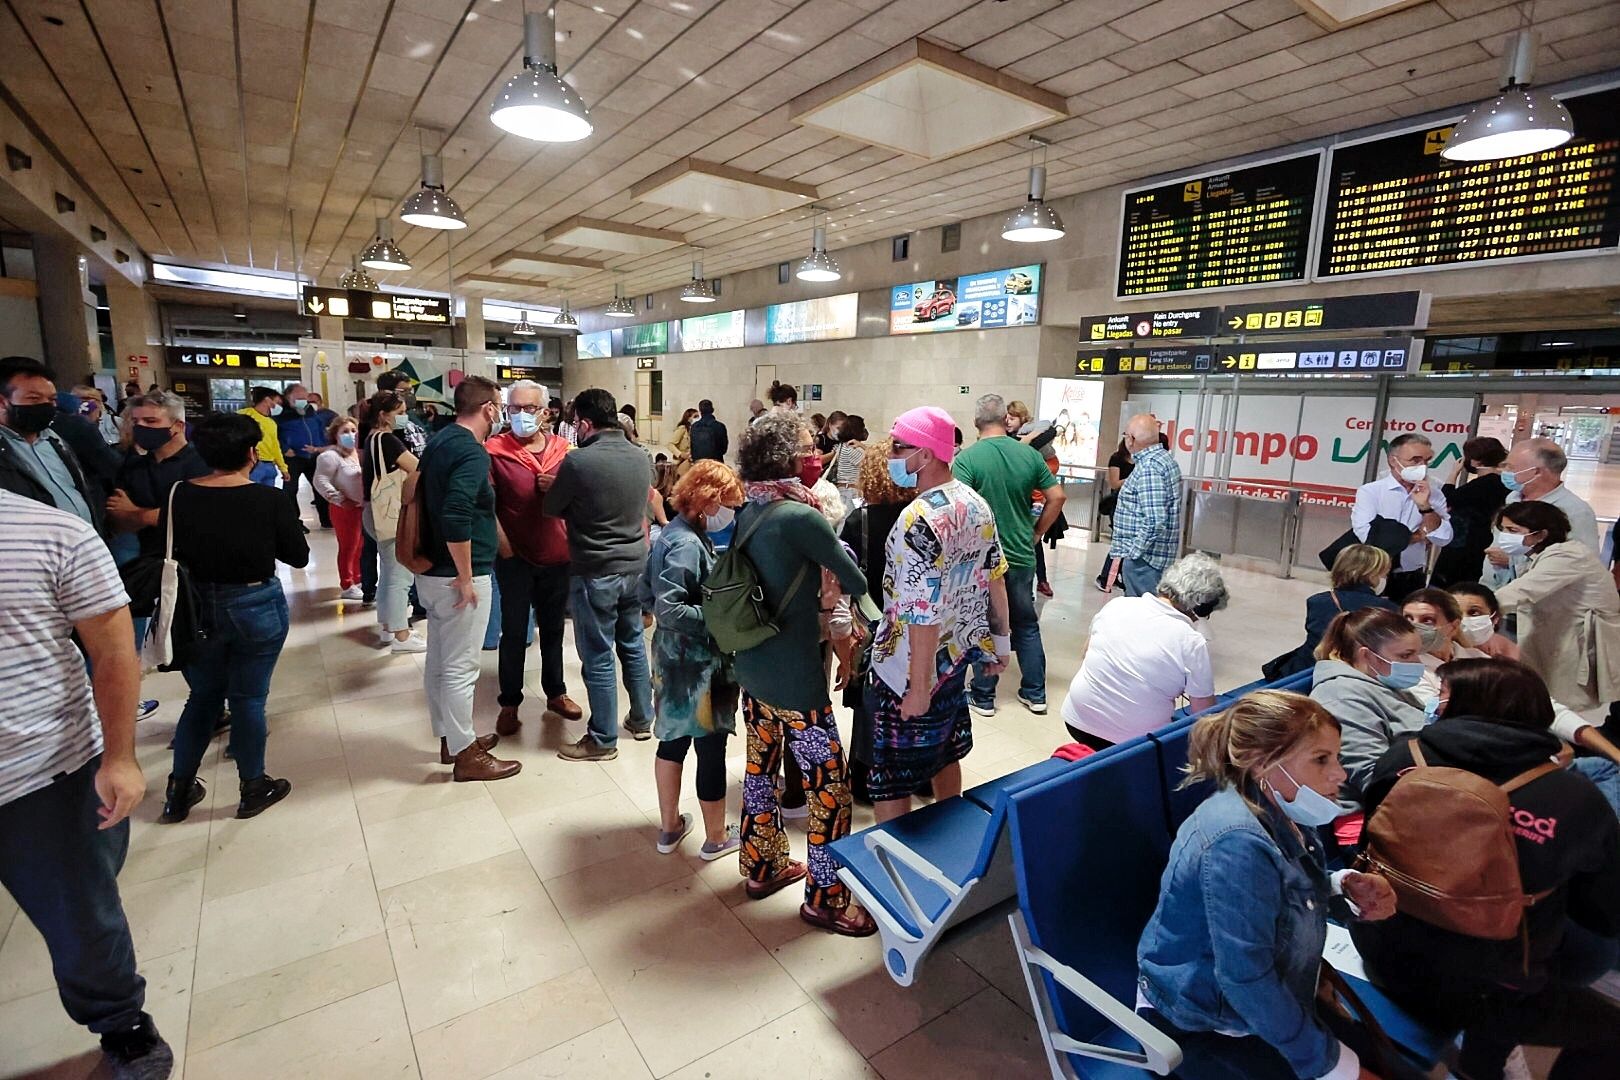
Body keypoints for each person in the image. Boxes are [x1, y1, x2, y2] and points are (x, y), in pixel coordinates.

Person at [1352, 658, 1620, 1080]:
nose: (1435, 705)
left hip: (1383, 945)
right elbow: (1603, 913)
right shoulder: (1571, 796)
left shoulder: (1404, 754)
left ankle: (1483, 1061)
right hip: (1490, 984)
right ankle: (1484, 1061)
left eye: (1443, 696)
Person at [0, 490, 176, 1079]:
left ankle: (122, 1026)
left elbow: (113, 652)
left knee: (82, 916)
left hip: (41, 771)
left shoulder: (53, 534)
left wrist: (120, 757)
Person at [1137, 691, 1402, 1080]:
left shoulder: (1279, 808)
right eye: (1321, 759)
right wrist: (1328, 1065)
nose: (1340, 774)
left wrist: (1341, 885)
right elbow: (1246, 977)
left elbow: (1280, 891)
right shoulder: (1236, 841)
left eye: (1337, 757)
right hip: (1208, 1022)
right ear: (1263, 764)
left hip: (1269, 998)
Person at [731, 412, 872, 936]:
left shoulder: (751, 508)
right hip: (797, 680)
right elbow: (855, 577)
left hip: (755, 670)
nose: (815, 454)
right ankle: (826, 898)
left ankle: (762, 866)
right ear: (789, 456)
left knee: (760, 771)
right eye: (808, 447)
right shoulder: (801, 517)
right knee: (829, 788)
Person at [157, 412, 308, 823]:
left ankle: (179, 789)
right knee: (249, 698)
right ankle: (252, 785)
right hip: (254, 604)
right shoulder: (267, 499)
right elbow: (298, 555)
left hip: (195, 608)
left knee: (202, 698)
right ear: (251, 453)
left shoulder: (177, 494)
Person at [869, 408, 1011, 822]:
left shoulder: (918, 519)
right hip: (957, 659)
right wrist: (1000, 644)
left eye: (900, 447)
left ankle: (890, 866)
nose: (893, 455)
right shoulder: (975, 503)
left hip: (908, 671)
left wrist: (917, 686)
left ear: (927, 455)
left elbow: (921, 612)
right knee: (947, 751)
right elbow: (995, 579)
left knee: (893, 778)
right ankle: (950, 835)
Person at [413, 375, 520, 782]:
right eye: (499, 405)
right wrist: (465, 577)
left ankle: (451, 737)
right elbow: (456, 514)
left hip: (431, 572)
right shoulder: (472, 452)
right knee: (460, 668)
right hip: (459, 574)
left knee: (440, 660)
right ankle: (465, 755)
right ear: (489, 408)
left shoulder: (440, 440)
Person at [546, 388, 656, 761]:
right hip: (635, 567)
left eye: (576, 423)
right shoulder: (642, 457)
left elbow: (552, 507)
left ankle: (602, 738)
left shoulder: (578, 462)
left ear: (586, 423)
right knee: (632, 646)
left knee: (598, 655)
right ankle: (642, 720)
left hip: (596, 570)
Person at [645, 460, 745, 860]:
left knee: (672, 741)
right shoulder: (688, 544)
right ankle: (717, 836)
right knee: (710, 747)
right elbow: (670, 607)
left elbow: (645, 591)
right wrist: (719, 618)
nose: (730, 514)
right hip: (701, 663)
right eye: (728, 504)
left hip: (670, 658)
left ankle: (669, 828)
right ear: (708, 500)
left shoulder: (671, 534)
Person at [952, 394, 1065, 717]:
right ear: (1005, 420)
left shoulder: (968, 459)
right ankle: (1035, 692)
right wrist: (1036, 532)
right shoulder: (1028, 456)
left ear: (976, 423)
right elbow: (1057, 496)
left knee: (987, 623)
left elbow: (960, 508)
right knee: (1026, 623)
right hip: (1021, 553)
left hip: (983, 560)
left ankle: (984, 695)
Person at [486, 381, 581, 735]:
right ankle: (509, 702)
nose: (522, 416)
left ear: (545, 412)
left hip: (558, 555)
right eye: (515, 409)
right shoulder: (495, 450)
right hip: (516, 557)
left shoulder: (565, 450)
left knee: (554, 630)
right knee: (512, 632)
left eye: (530, 409)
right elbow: (487, 506)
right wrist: (504, 546)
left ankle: (555, 692)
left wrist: (560, 490)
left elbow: (581, 501)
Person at [1060, 553, 1225, 751]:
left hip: (1078, 720)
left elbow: (1086, 653)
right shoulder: (1191, 641)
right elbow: (1205, 714)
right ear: (1199, 607)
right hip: (1135, 740)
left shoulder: (1117, 605)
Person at [837, 440, 912, 803]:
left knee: (869, 705)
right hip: (913, 621)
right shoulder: (919, 513)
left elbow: (842, 574)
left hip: (871, 622)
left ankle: (865, 779)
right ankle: (916, 773)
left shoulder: (859, 520)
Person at [1308, 608, 1426, 838]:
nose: (1417, 663)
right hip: (1370, 824)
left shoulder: (1379, 683)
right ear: (1367, 656)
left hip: (1409, 802)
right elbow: (1375, 779)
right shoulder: (1342, 697)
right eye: (1405, 656)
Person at [1494, 500, 1620, 712]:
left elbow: (1520, 592)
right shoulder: (1542, 555)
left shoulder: (1568, 556)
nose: (1505, 537)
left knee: (1562, 710)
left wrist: (1467, 608)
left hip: (1574, 644)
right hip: (1555, 638)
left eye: (1513, 530)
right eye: (1504, 530)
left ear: (1541, 534)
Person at [1267, 544, 1396, 680]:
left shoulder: (1318, 601)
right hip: (1357, 675)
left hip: (1304, 670)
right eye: (1384, 573)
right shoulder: (1388, 610)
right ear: (1371, 574)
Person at [0, 357, 102, 530]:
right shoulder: (6, 452)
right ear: (3, 402)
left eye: (52, 399)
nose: (46, 406)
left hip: (82, 545)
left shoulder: (55, 440)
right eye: (34, 398)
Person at [360, 391, 425, 654]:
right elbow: (417, 467)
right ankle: (401, 634)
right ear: (383, 415)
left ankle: (387, 627)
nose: (404, 417)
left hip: (373, 513)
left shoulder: (371, 438)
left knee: (388, 573)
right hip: (390, 514)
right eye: (399, 413)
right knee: (400, 575)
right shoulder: (387, 440)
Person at [1350, 432, 1453, 599]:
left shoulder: (1434, 494)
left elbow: (1444, 537)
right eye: (1415, 460)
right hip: (1371, 573)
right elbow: (1368, 536)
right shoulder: (1371, 491)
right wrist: (1418, 536)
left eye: (1427, 461)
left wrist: (1425, 507)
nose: (1422, 466)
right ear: (1393, 460)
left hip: (1411, 576)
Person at [1107, 413, 1181, 597]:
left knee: (1141, 615)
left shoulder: (1149, 468)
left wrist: (1134, 552)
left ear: (1131, 440)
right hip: (1154, 557)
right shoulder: (1163, 459)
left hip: (1145, 562)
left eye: (1125, 435)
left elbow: (1155, 519)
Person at [1432, 436, 1509, 586]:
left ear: (1474, 461)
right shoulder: (1503, 484)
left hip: (1465, 545)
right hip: (1486, 541)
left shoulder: (1480, 485)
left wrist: (1453, 473)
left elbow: (1446, 500)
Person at [1401, 587, 1488, 704]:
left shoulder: (1479, 659)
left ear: (1453, 627)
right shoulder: (1406, 668)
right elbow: (1439, 710)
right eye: (1408, 619)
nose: (1414, 627)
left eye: (1427, 620)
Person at [312, 414, 365, 600]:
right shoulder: (330, 456)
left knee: (361, 546)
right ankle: (347, 583)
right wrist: (339, 499)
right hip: (344, 509)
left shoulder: (359, 454)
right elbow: (320, 480)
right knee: (348, 546)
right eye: (345, 432)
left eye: (353, 430)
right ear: (336, 435)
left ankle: (359, 579)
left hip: (362, 507)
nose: (350, 435)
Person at [277, 382, 333, 529]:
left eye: (304, 397)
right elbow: (273, 434)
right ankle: (295, 523)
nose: (303, 400)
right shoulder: (281, 414)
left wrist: (321, 448)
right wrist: (284, 448)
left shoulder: (311, 412)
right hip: (293, 458)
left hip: (313, 456)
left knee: (321, 487)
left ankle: (327, 520)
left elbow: (321, 431)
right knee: (290, 490)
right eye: (298, 397)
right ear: (288, 397)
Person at [1096, 436, 1134, 591]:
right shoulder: (1117, 458)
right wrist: (1133, 478)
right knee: (1120, 542)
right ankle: (1105, 576)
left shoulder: (1140, 459)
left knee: (1126, 543)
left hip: (1132, 504)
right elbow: (1114, 483)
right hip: (1118, 503)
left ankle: (1116, 575)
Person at [1448, 581, 1520, 660]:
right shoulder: (1436, 651)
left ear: (1494, 618)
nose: (1463, 620)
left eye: (1474, 612)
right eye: (1455, 612)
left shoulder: (1509, 655)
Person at [238, 386, 288, 489]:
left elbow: (275, 446)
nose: (279, 406)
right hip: (252, 465)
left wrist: (283, 468)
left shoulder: (271, 423)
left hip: (270, 466)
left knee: (267, 498)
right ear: (267, 400)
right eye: (277, 402)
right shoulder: (244, 415)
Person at [689, 398, 728, 463]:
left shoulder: (694, 427)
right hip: (715, 464)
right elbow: (724, 449)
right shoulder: (720, 426)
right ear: (712, 410)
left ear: (700, 411)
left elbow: (693, 448)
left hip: (698, 464)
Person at [670, 406, 697, 476]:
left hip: (691, 461)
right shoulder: (682, 428)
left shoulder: (696, 430)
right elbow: (670, 444)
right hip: (680, 461)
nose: (697, 419)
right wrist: (680, 454)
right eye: (695, 416)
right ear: (688, 418)